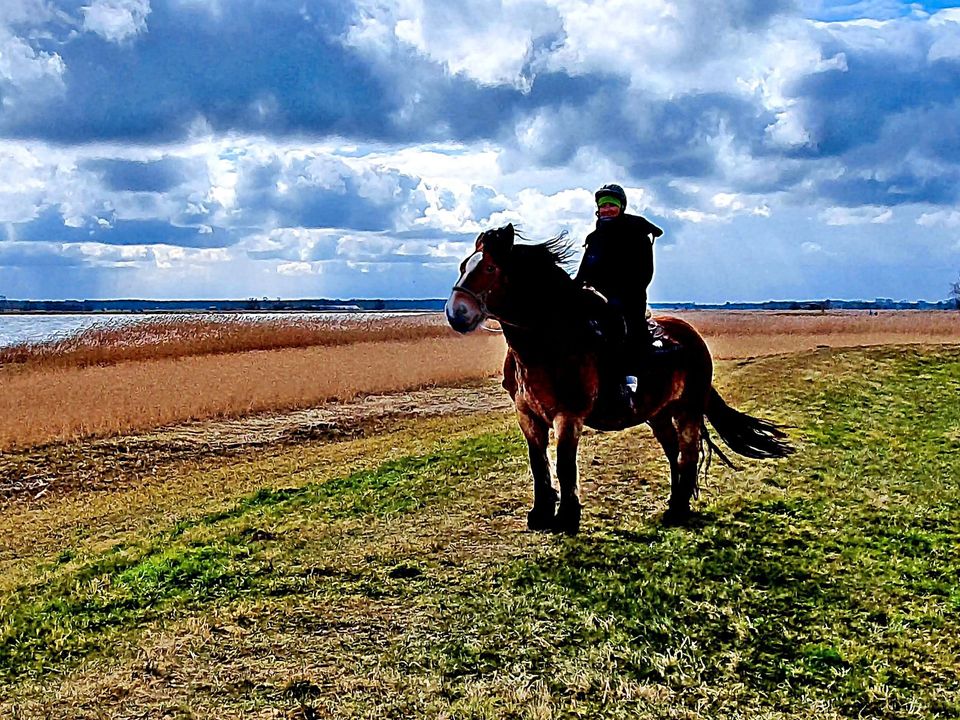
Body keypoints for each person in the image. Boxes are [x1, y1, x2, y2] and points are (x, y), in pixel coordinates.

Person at [574, 183, 667, 392]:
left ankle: (630, 377)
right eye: (602, 206)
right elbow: (582, 274)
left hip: (628, 298)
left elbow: (644, 274)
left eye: (611, 205)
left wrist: (617, 297)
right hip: (595, 299)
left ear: (621, 207)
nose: (606, 209)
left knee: (623, 329)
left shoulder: (637, 234)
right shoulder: (594, 238)